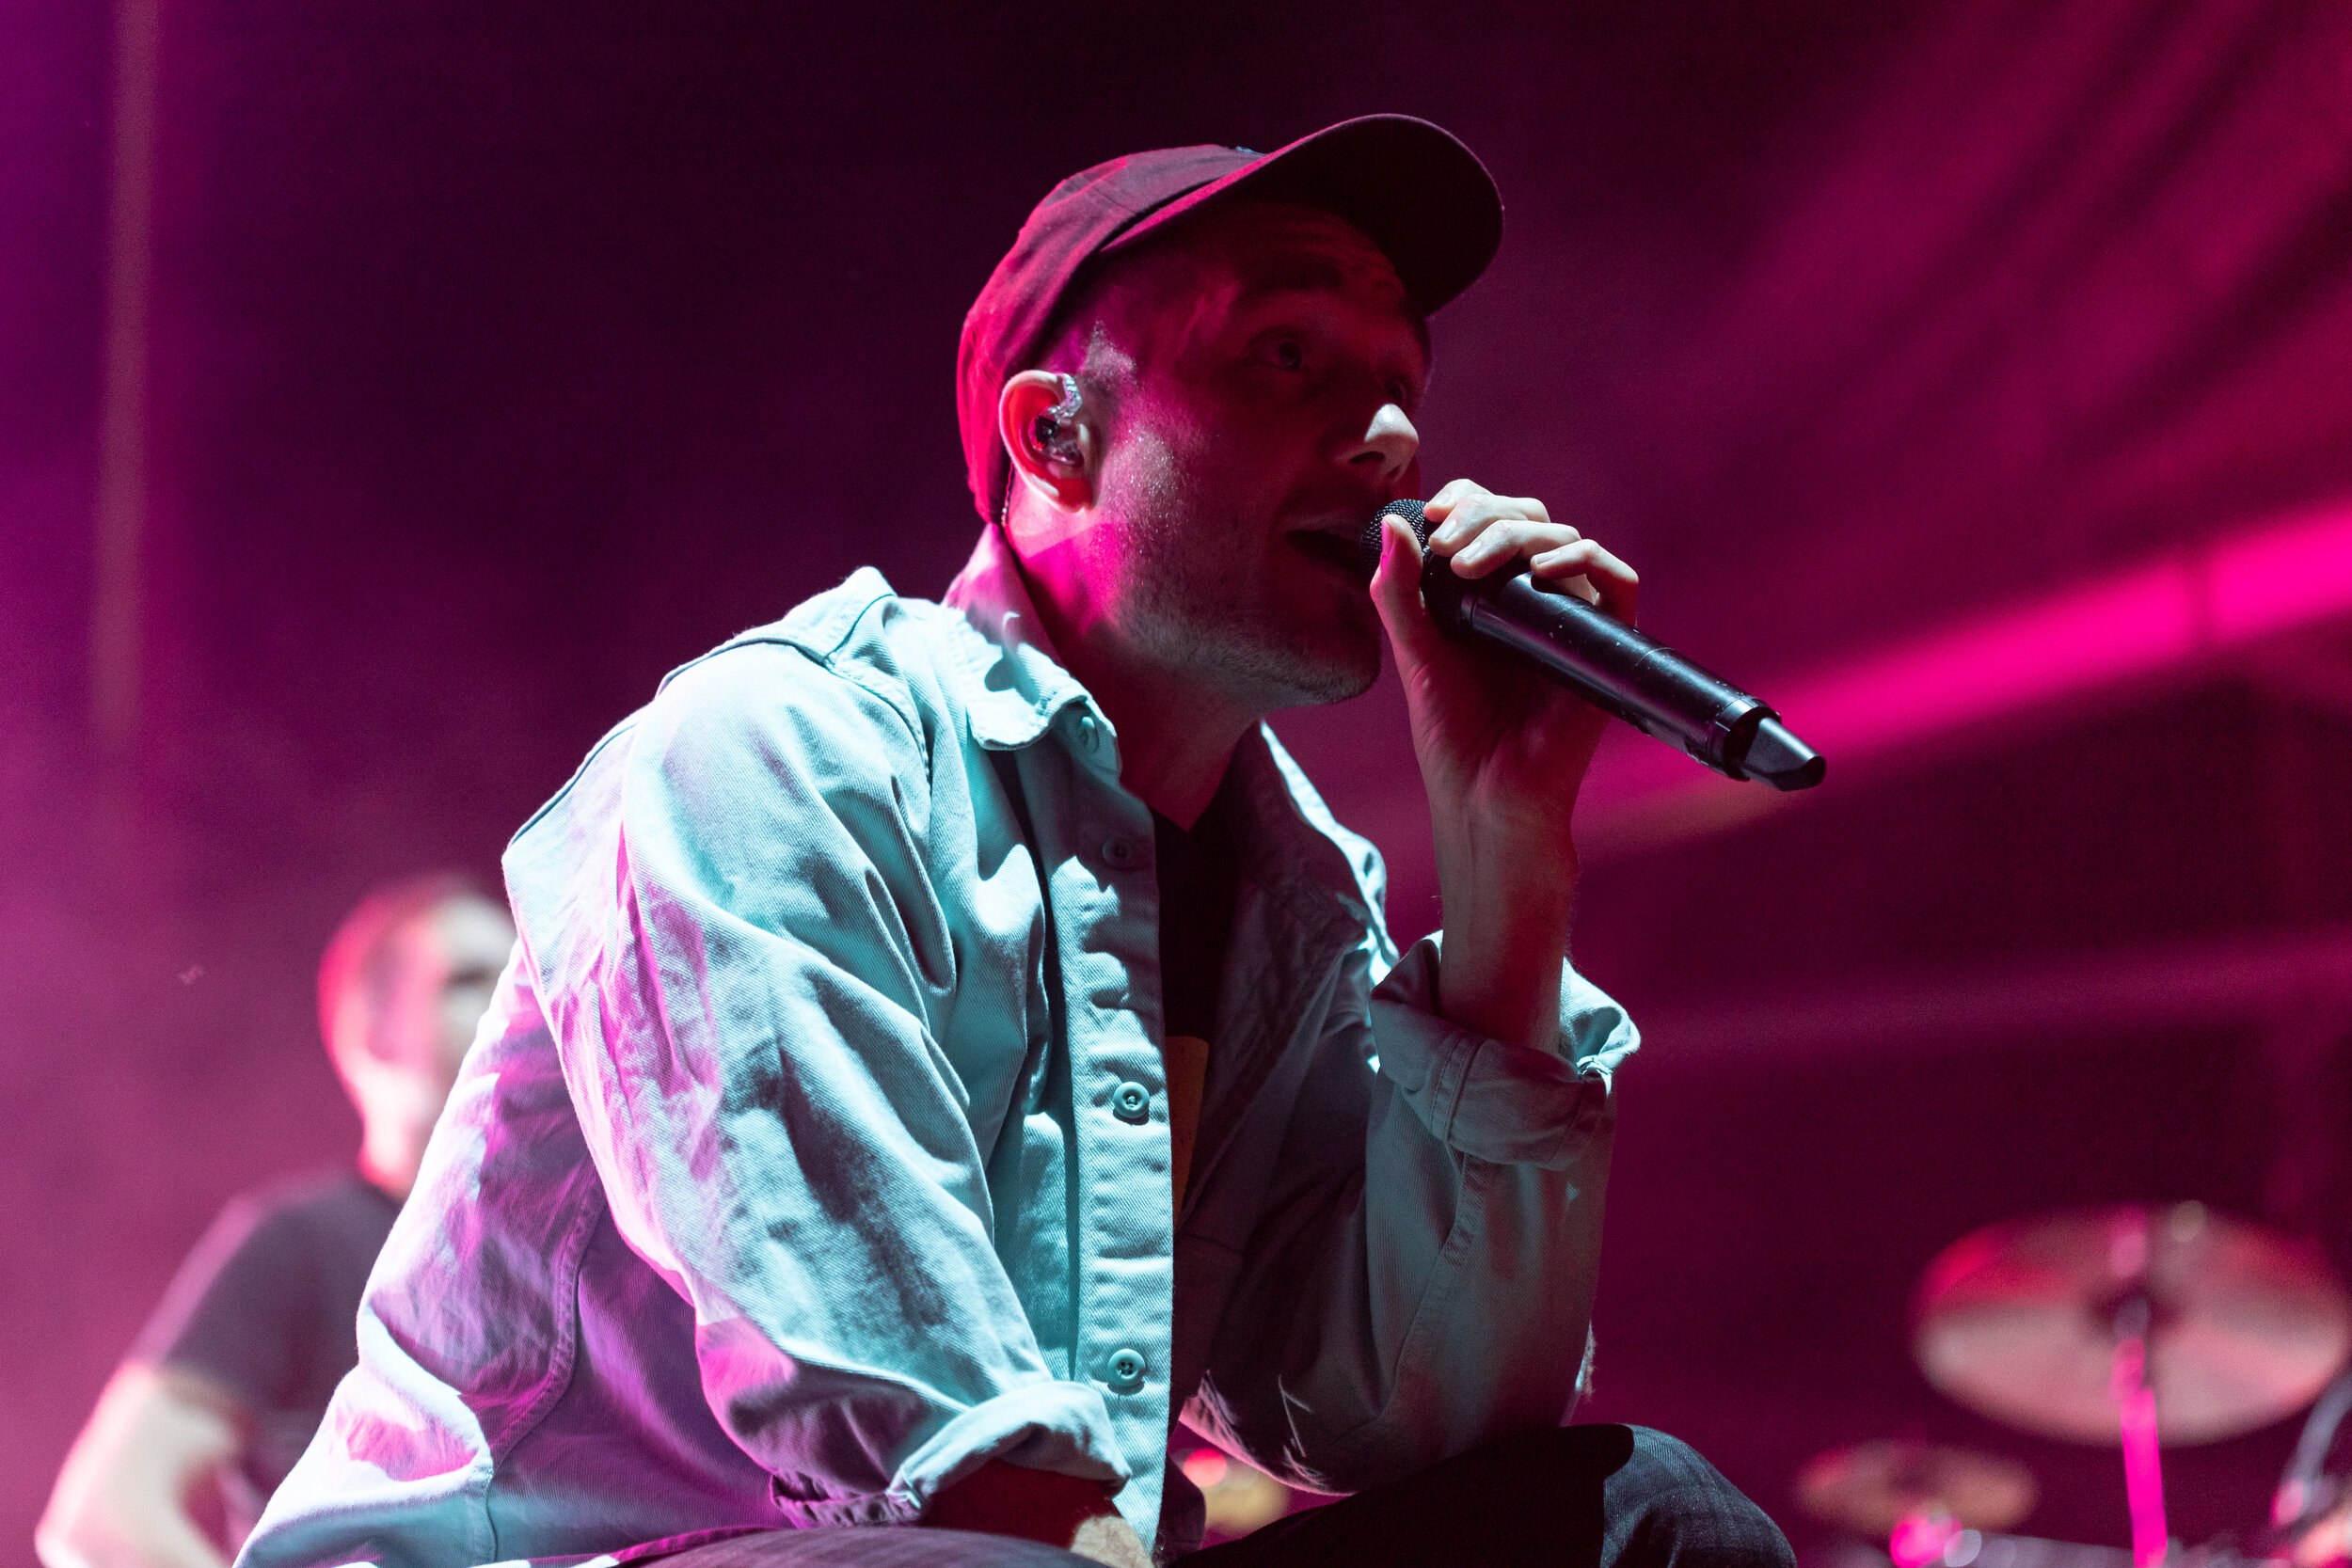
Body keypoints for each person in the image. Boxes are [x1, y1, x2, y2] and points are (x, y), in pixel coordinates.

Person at [240, 116, 1795, 1568]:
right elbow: (902, 1426)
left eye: (1401, 382)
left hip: (1012, 1549)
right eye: (1288, 356)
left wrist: (1510, 842)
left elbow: (1416, 1425)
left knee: (1642, 1521)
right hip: (657, 1550)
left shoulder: (1300, 901)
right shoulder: (783, 757)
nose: (1387, 434)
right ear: (1056, 435)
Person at [37, 876, 516, 1568]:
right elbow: (103, 1515)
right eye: (470, 979)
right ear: (373, 1036)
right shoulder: (298, 1242)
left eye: (519, 979)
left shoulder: (582, 1251)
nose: (510, 1005)